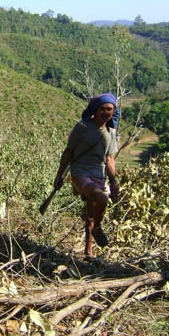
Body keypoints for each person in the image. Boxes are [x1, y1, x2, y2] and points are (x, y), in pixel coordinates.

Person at [53, 93, 119, 261]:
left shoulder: (111, 131)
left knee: (91, 212)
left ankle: (88, 252)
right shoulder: (82, 127)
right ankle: (98, 228)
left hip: (99, 175)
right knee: (101, 198)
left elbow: (109, 158)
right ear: (95, 110)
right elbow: (68, 152)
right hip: (80, 173)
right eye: (102, 109)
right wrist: (59, 175)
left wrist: (113, 181)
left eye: (109, 109)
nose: (106, 112)